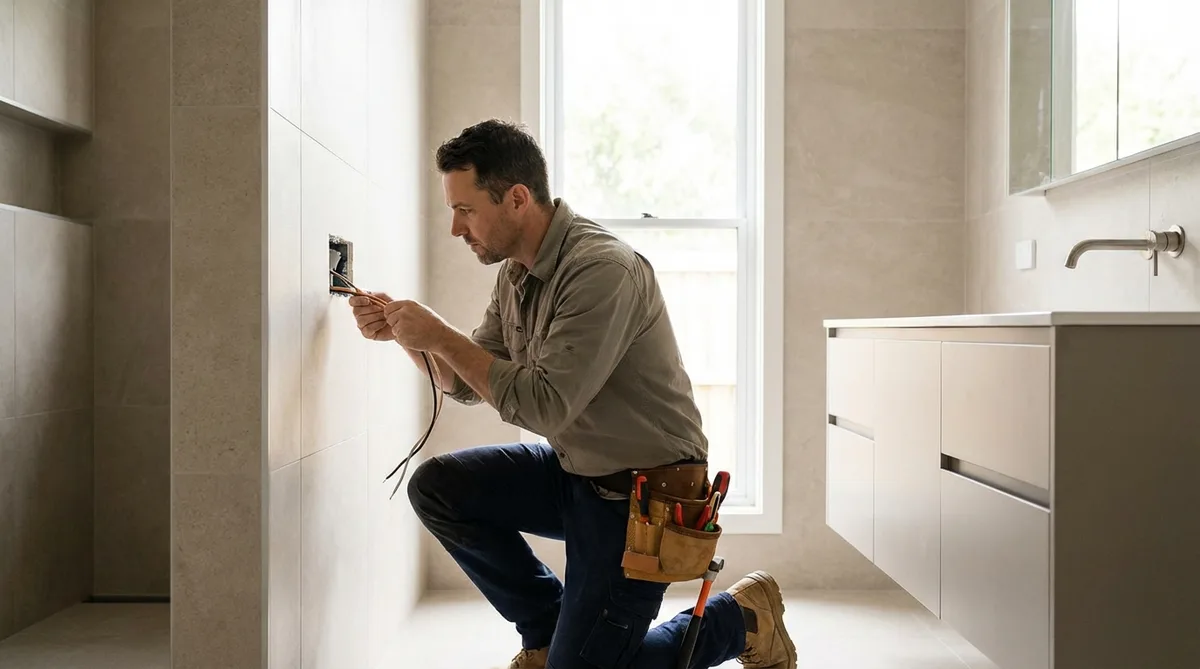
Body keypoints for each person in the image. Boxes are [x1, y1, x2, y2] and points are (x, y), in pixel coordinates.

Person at [349, 118, 797, 669]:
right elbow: (467, 385)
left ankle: (740, 618)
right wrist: (407, 337)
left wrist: (439, 334)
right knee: (439, 488)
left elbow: (540, 405)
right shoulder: (516, 272)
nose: (454, 228)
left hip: (643, 497)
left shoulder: (601, 271)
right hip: (577, 474)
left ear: (516, 198)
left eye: (465, 209)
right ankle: (548, 635)